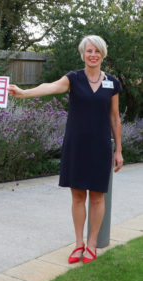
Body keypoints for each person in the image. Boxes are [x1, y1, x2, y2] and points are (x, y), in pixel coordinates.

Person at [8, 35, 123, 263]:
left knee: (98, 197)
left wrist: (118, 150)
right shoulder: (73, 78)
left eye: (97, 51)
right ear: (83, 54)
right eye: (89, 51)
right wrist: (24, 92)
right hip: (76, 145)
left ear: (103, 54)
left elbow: (115, 118)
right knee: (78, 196)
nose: (93, 55)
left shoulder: (112, 83)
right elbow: (49, 87)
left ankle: (92, 244)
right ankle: (79, 244)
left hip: (100, 146)